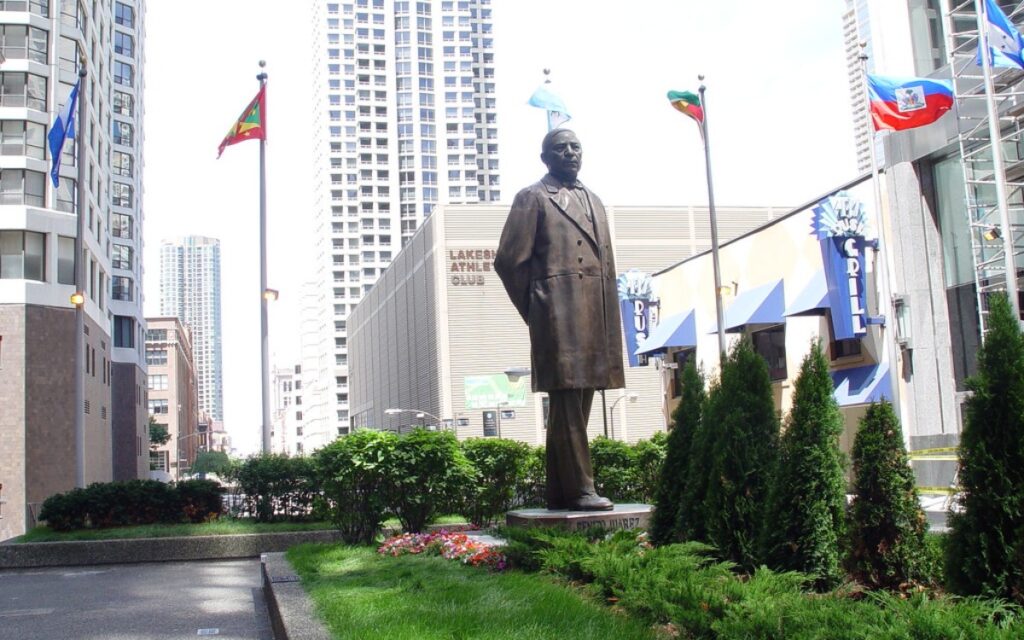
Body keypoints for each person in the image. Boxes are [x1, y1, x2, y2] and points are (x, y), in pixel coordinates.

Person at [494, 128, 624, 511]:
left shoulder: (595, 201)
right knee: (567, 401)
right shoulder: (532, 197)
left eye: (575, 146)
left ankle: (559, 491)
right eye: (560, 148)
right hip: (559, 317)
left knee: (578, 402)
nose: (570, 153)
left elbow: (608, 266)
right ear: (545, 158)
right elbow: (508, 261)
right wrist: (538, 310)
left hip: (593, 317)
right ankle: (582, 489)